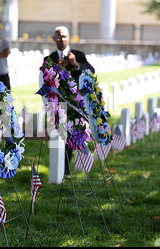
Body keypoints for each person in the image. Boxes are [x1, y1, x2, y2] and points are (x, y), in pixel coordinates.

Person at [43, 26, 95, 175]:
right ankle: (62, 169)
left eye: (64, 36)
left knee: (71, 134)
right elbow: (45, 78)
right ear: (54, 38)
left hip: (75, 103)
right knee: (60, 134)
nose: (61, 39)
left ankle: (65, 169)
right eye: (58, 36)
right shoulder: (49, 58)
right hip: (57, 102)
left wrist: (76, 64)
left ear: (69, 38)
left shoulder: (78, 54)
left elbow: (91, 71)